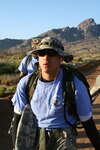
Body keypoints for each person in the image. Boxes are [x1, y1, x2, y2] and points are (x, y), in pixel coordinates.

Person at [11, 37, 100, 150]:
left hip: (63, 140)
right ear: (38, 57)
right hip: (33, 137)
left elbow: (89, 125)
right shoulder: (26, 83)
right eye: (42, 53)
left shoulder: (74, 85)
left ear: (60, 58)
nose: (46, 58)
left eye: (52, 53)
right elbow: (17, 120)